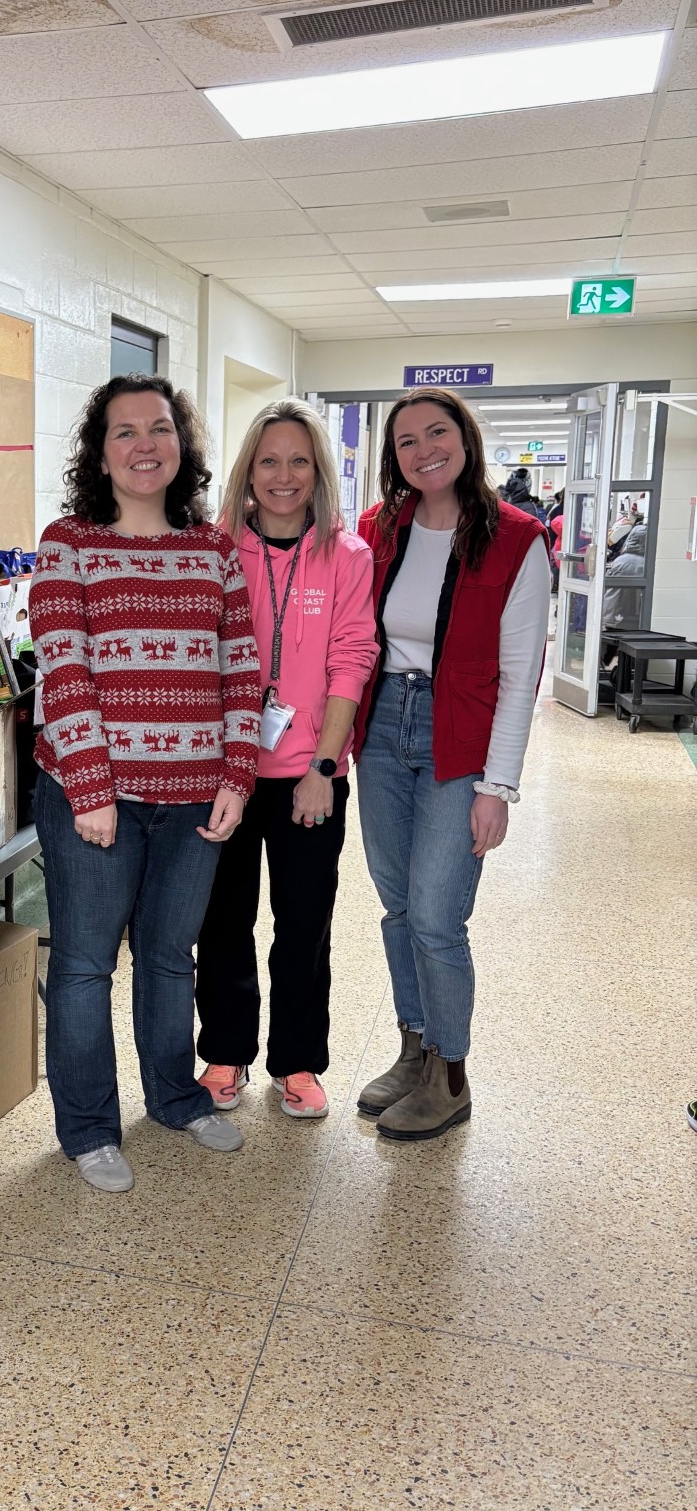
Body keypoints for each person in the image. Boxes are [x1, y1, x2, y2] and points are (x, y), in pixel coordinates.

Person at [29, 374, 261, 1193]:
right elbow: (64, 670)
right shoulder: (68, 543)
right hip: (97, 799)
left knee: (168, 958)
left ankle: (174, 1097)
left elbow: (242, 669)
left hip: (195, 794)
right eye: (123, 432)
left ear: (181, 445)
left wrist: (238, 774)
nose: (143, 445)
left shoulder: (214, 550)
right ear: (99, 454)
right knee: (85, 965)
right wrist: (90, 787)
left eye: (159, 428)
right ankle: (89, 1127)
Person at [352, 387, 549, 1141]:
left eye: (437, 432)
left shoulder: (516, 538)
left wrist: (498, 786)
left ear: (465, 440)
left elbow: (521, 673)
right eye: (406, 440)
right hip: (382, 729)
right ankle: (415, 1049)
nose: (424, 450)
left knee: (437, 914)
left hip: (459, 735)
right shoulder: (378, 528)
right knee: (398, 905)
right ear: (393, 457)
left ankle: (452, 1072)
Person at [194, 400, 378, 1123]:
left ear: (318, 471)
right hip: (225, 776)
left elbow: (351, 660)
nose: (283, 475)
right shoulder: (216, 547)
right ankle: (225, 1051)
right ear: (248, 471)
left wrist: (323, 769)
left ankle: (297, 1062)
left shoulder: (346, 554)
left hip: (310, 776)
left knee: (303, 926)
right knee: (223, 922)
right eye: (268, 460)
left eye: (299, 460)